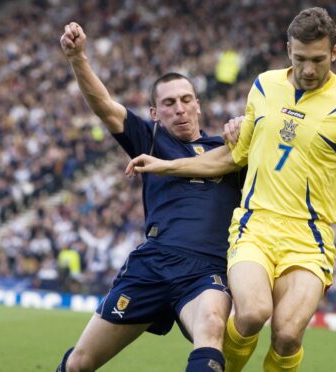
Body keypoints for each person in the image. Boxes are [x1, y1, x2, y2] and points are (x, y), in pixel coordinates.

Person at [126, 7, 336, 371]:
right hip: (254, 224)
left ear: (334, 52)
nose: (308, 69)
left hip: (309, 236)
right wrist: (167, 165)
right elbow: (234, 157)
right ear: (288, 49)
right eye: (300, 58)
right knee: (252, 313)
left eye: (318, 60)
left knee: (287, 335)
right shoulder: (264, 85)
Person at [58, 22, 244, 372]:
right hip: (154, 263)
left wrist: (241, 127)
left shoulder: (230, 151)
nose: (180, 109)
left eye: (187, 100)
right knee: (79, 363)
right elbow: (105, 106)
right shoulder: (150, 140)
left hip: (206, 269)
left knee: (212, 326)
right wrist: (78, 58)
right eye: (169, 103)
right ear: (155, 114)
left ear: (198, 105)